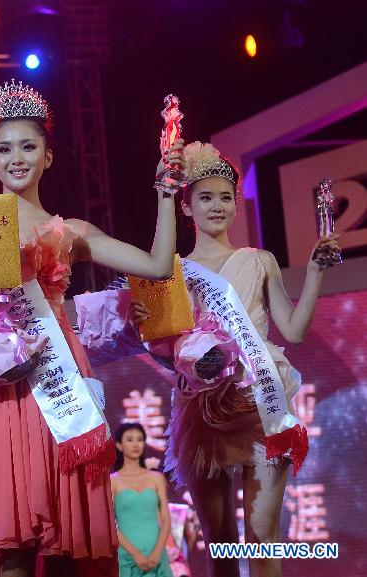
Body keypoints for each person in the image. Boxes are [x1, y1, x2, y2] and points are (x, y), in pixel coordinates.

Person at [0, 80, 181, 576]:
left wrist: (165, 194)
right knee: (13, 548)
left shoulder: (72, 232)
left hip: (59, 376)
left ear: (48, 156)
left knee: (68, 542)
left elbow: (156, 266)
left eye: (29, 146)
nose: (17, 158)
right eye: (4, 148)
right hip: (3, 391)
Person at [126, 142, 340, 577]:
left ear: (236, 206)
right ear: (186, 207)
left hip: (260, 402)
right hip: (201, 411)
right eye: (205, 197)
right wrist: (144, 331)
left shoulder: (259, 261)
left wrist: (315, 272)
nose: (217, 206)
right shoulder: (172, 272)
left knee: (263, 537)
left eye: (226, 197)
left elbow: (293, 332)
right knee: (220, 544)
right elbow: (169, 359)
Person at [110, 424, 172, 577]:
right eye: (130, 440)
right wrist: (135, 554)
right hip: (128, 556)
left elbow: (166, 519)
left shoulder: (156, 478)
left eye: (140, 439)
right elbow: (111, 525)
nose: (136, 444)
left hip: (156, 554)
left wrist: (157, 553)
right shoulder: (112, 482)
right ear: (119, 445)